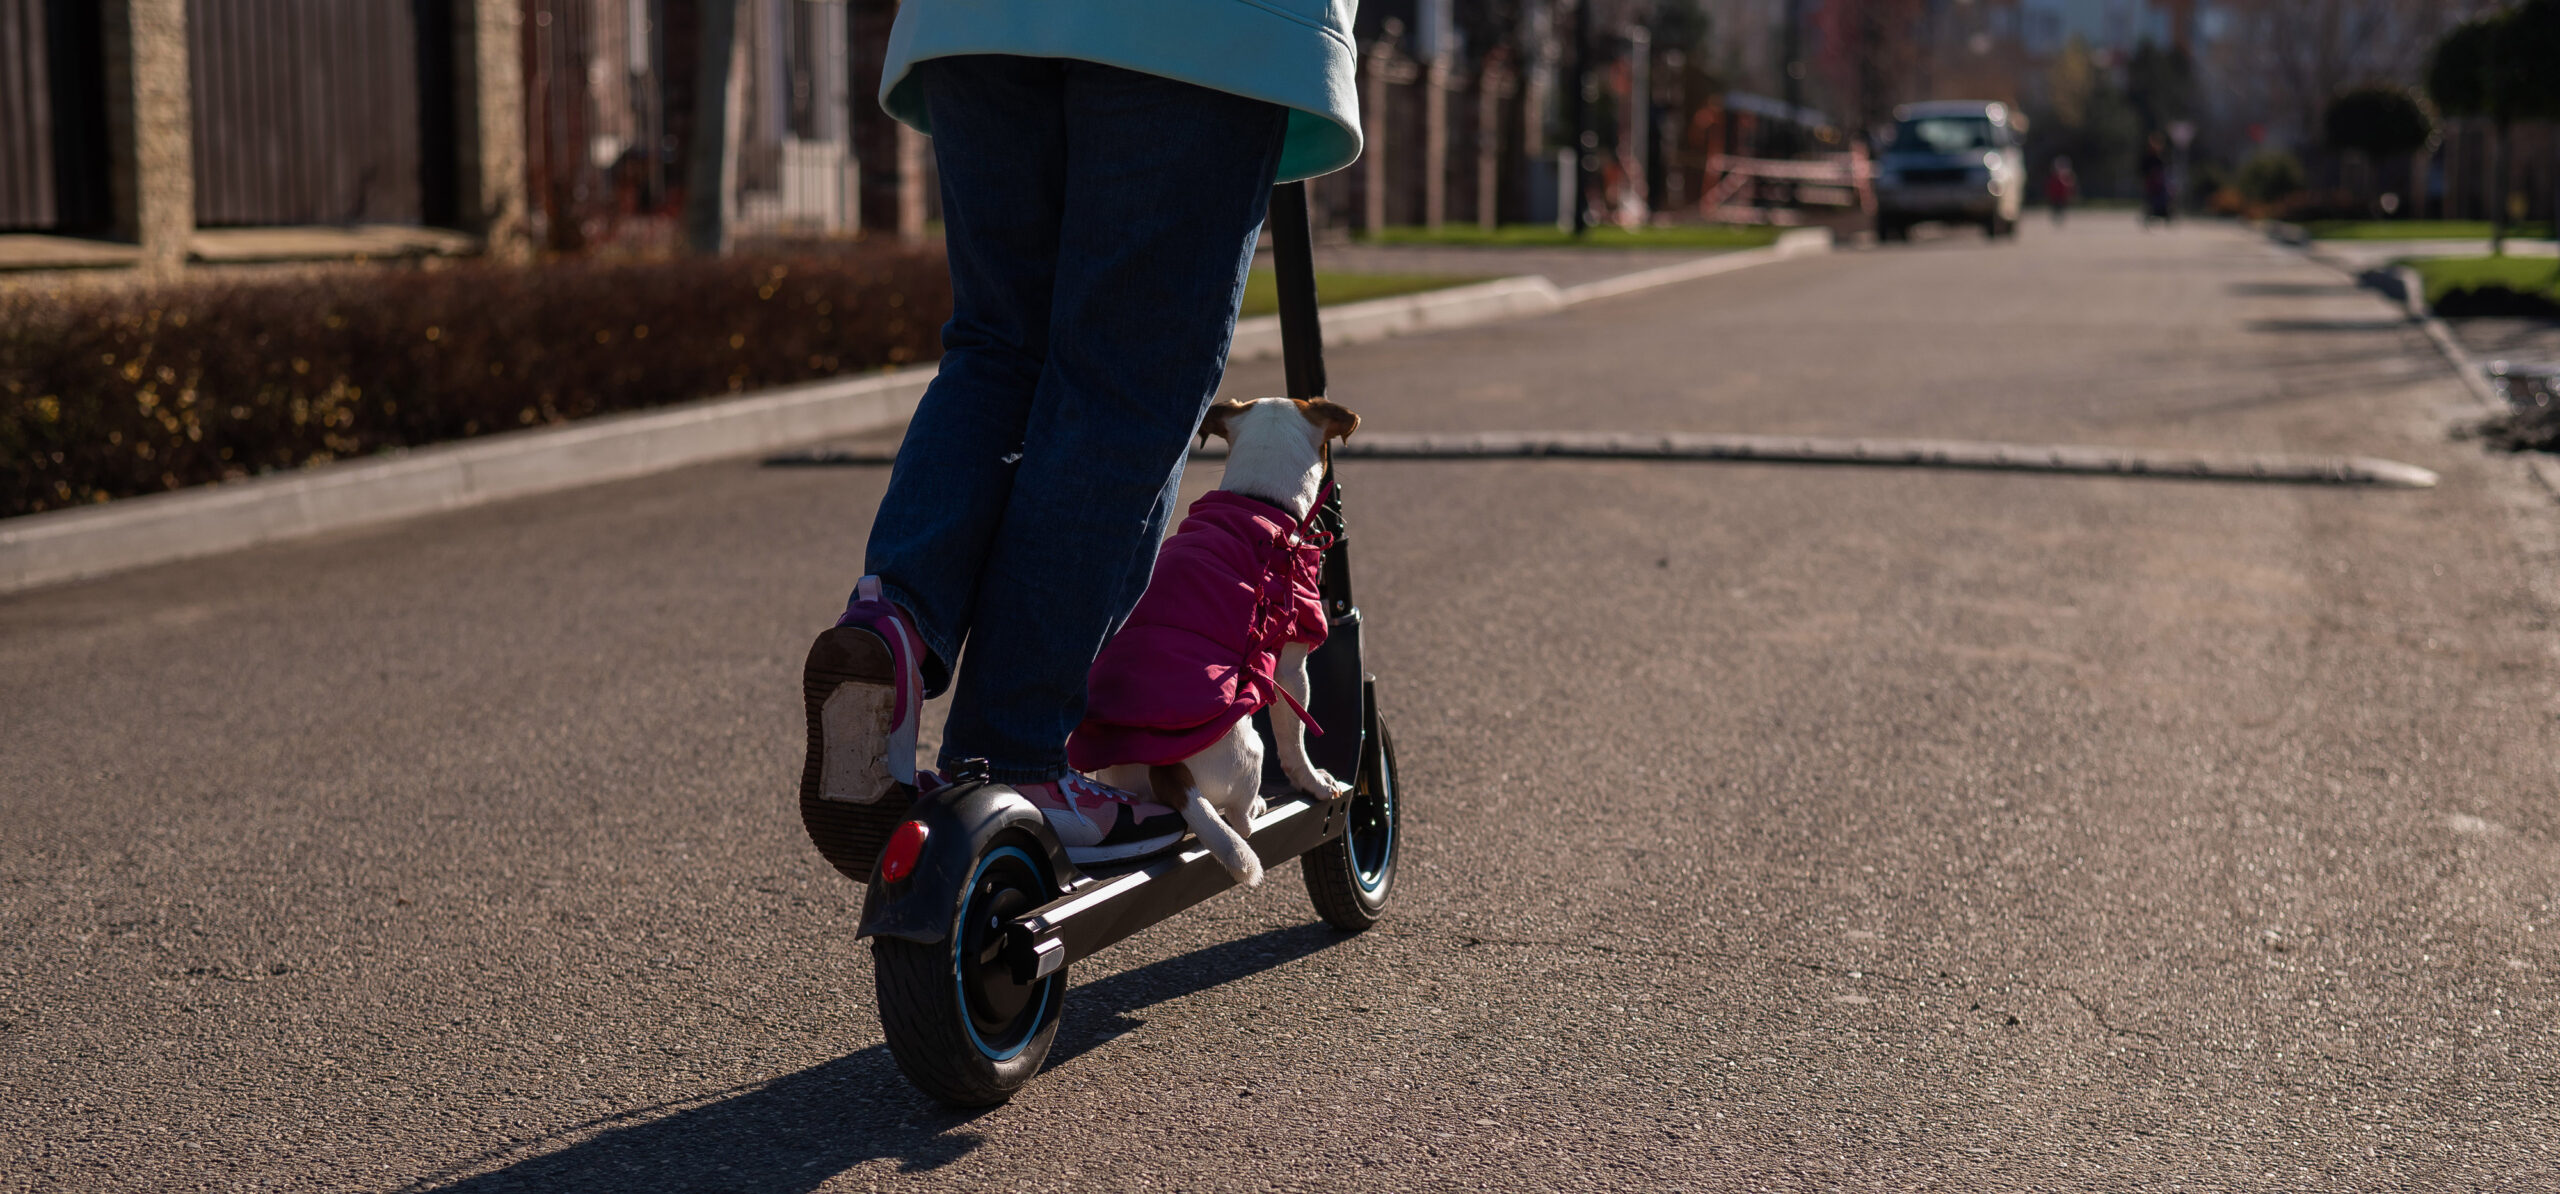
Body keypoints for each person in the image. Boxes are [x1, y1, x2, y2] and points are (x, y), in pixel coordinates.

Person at [797, 5, 1363, 866]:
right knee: (1125, 383)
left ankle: (893, 625)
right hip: (1197, 33)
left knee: (996, 350)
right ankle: (1015, 758)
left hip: (976, 20)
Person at [2044, 155, 2077, 226]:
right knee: (2055, 208)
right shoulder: (2054, 178)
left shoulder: (2066, 178)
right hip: (2055, 196)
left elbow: (2069, 187)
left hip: (2061, 196)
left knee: (2061, 208)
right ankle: (2056, 218)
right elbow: (2050, 187)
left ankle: (2060, 219)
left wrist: (2069, 194)